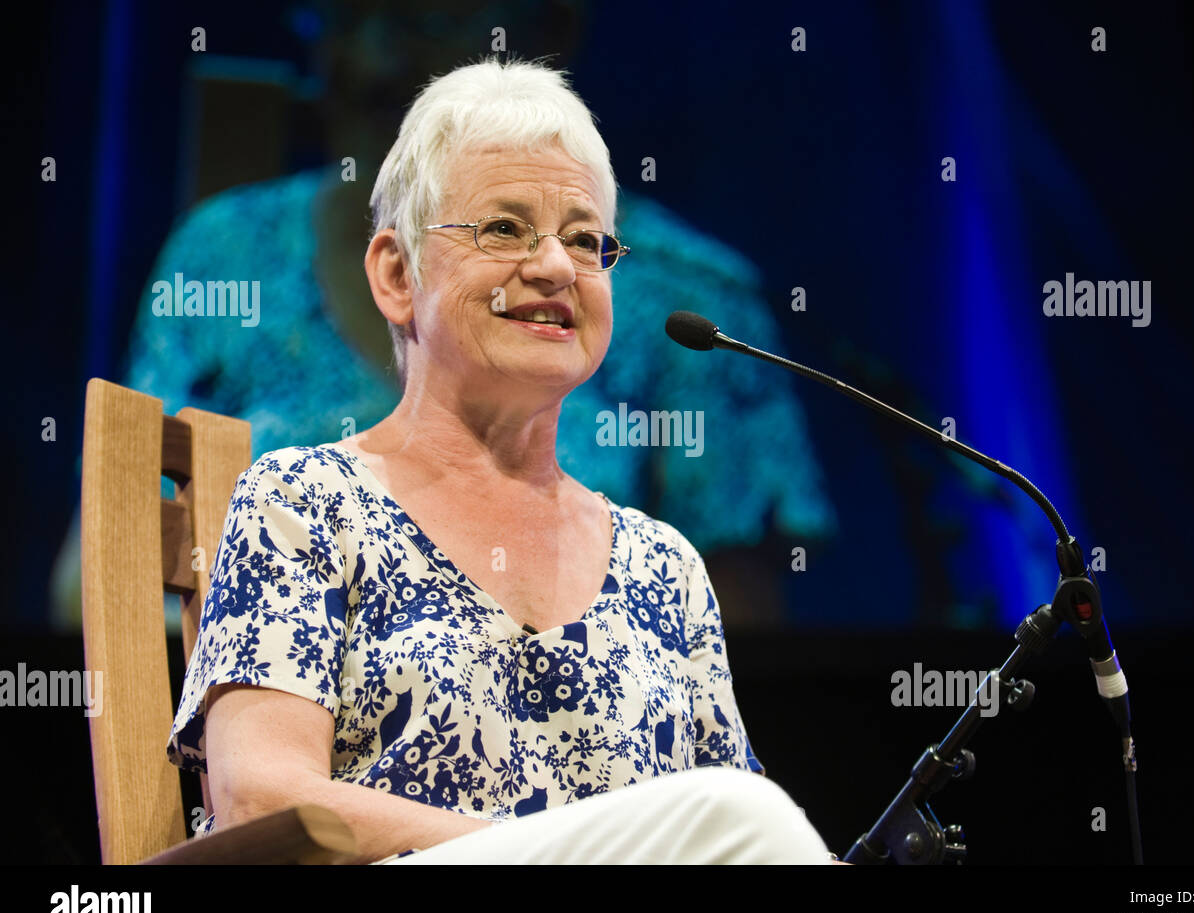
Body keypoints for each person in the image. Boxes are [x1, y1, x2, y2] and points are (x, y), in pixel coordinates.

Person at [165, 58, 833, 864]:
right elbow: (259, 800)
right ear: (396, 274)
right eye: (504, 228)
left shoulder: (668, 570)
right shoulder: (302, 502)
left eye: (586, 241)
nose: (555, 266)